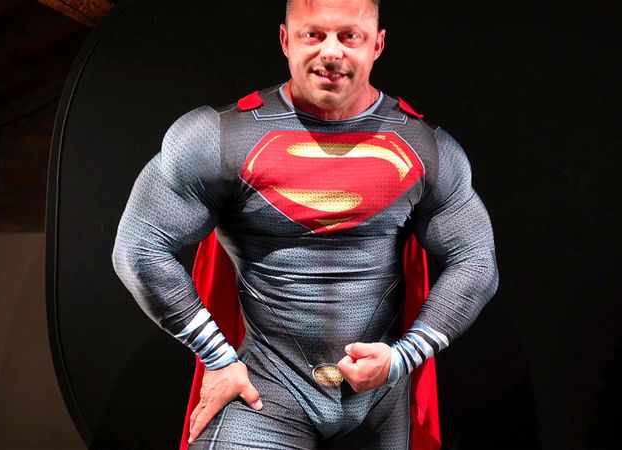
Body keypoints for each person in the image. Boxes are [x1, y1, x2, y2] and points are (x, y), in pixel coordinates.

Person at [112, 0, 498, 448]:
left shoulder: (425, 147)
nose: (331, 52)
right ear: (286, 40)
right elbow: (138, 247)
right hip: (267, 390)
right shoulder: (220, 138)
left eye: (349, 36)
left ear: (377, 44)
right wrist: (217, 357)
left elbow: (476, 260)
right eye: (313, 34)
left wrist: (402, 359)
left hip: (381, 398)